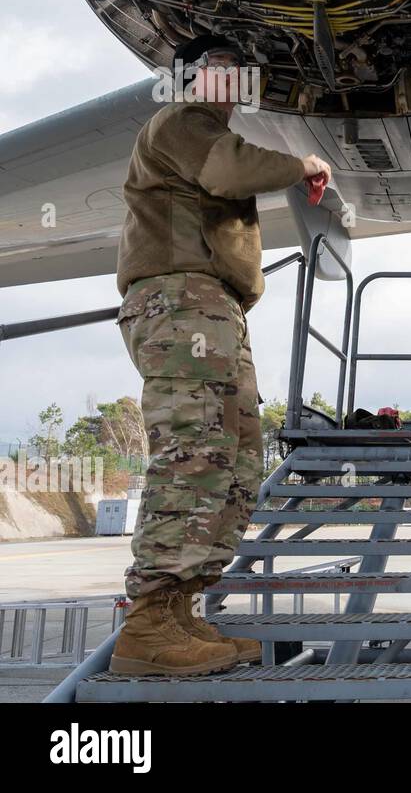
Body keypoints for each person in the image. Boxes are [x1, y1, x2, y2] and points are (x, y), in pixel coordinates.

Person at [109, 34, 332, 675]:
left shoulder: (203, 131)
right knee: (196, 451)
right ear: (193, 76)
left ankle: (180, 610)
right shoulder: (181, 122)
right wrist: (305, 163)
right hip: (179, 303)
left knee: (234, 457)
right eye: (220, 67)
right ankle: (149, 622)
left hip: (211, 308)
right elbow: (231, 168)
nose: (233, 77)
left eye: (241, 69)